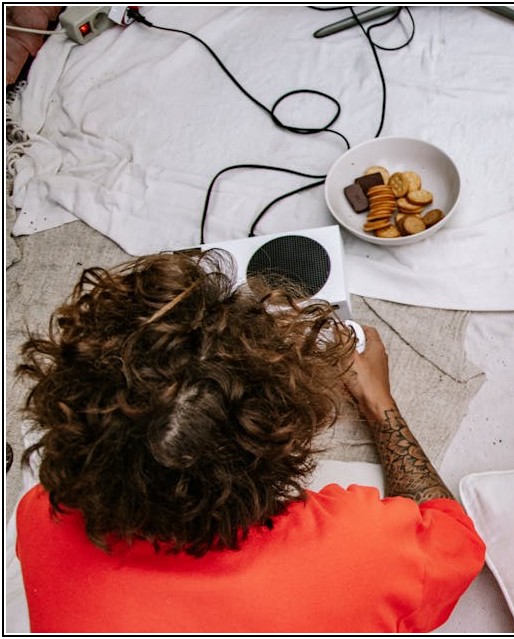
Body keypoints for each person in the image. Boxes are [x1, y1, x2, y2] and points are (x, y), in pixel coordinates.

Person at [14, 249, 485, 633]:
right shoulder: (360, 557)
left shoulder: (39, 516)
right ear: (283, 442)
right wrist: (379, 402)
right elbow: (455, 539)